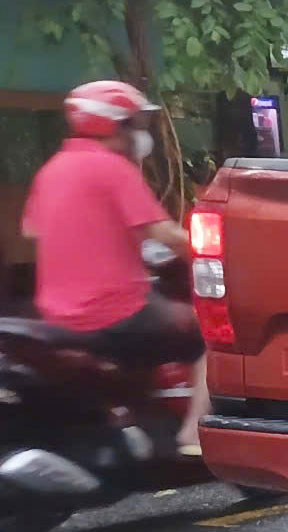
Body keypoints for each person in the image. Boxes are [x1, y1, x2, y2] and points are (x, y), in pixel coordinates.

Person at [20, 81, 208, 453]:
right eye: (134, 123)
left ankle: (138, 424)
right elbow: (167, 234)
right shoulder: (110, 167)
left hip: (55, 315)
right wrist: (216, 255)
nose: (140, 133)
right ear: (114, 124)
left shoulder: (53, 170)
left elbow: (32, 230)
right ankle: (194, 434)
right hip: (113, 310)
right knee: (212, 337)